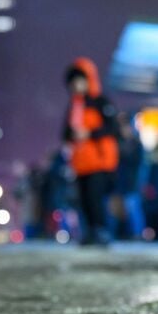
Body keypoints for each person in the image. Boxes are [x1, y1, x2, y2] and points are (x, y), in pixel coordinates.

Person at [61, 57, 119, 246]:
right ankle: (90, 232)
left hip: (99, 161)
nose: (76, 85)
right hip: (80, 162)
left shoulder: (101, 102)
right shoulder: (74, 106)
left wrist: (90, 133)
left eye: (80, 80)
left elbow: (113, 128)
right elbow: (65, 133)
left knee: (96, 197)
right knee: (83, 199)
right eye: (73, 82)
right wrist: (73, 134)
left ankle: (101, 231)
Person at [112, 112, 146, 239]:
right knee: (117, 209)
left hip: (132, 182)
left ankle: (137, 234)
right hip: (119, 181)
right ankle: (119, 234)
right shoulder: (118, 142)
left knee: (132, 207)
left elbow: (138, 165)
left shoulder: (136, 145)